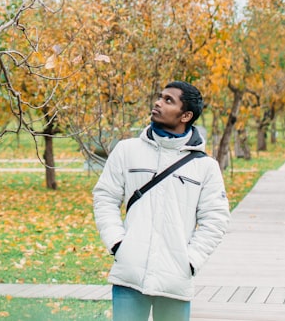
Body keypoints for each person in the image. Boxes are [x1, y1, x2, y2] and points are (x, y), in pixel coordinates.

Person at [93, 81, 231, 321]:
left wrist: (190, 261)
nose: (158, 103)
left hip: (175, 279)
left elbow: (216, 220)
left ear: (186, 115)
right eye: (160, 97)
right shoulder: (127, 150)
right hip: (130, 275)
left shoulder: (205, 167)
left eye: (169, 100)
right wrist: (117, 243)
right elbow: (105, 197)